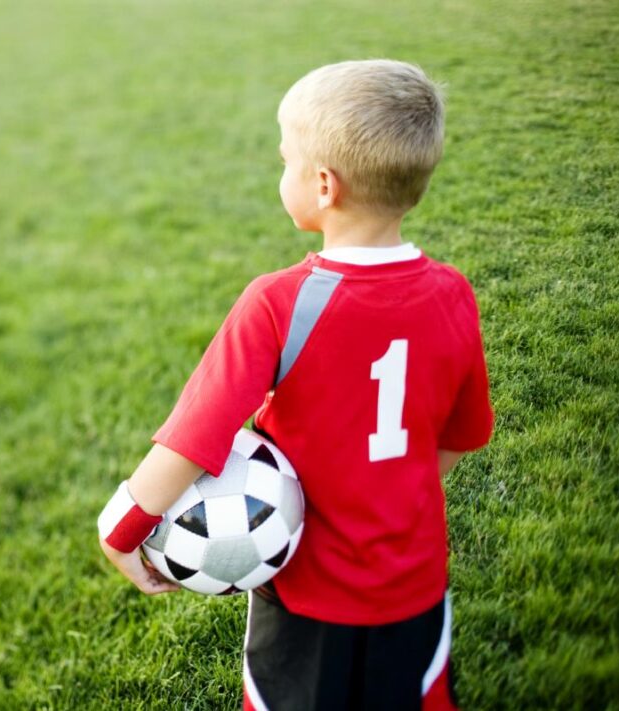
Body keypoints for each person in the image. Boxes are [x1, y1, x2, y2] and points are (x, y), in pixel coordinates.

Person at [96, 59, 494, 710]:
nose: (280, 174)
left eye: (284, 161)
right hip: (414, 582)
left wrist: (122, 526)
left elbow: (195, 438)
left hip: (307, 594)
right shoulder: (452, 294)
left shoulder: (280, 303)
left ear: (323, 185)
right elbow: (461, 435)